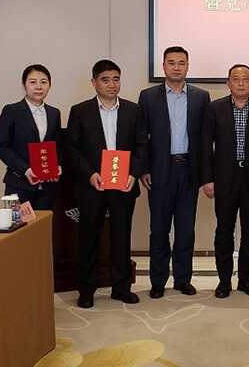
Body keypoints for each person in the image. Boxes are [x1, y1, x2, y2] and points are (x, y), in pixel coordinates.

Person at [64, 60, 147, 309]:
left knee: (121, 237)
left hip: (123, 185)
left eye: (116, 79)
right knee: (88, 238)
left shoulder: (133, 110)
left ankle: (121, 287)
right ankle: (86, 290)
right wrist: (90, 174)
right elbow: (72, 149)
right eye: (105, 79)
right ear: (94, 82)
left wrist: (133, 174)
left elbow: (142, 146)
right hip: (93, 185)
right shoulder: (80, 111)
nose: (112, 84)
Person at [138, 46, 210, 299]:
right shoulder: (148, 96)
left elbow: (205, 139)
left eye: (181, 62)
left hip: (188, 169)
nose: (176, 67)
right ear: (163, 66)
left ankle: (182, 279)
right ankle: (158, 280)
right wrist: (144, 169)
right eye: (171, 62)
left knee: (185, 229)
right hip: (159, 170)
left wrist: (205, 174)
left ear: (188, 66)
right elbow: (141, 137)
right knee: (159, 229)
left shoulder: (201, 97)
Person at [200, 64, 249, 298]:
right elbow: (206, 146)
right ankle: (224, 281)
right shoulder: (214, 108)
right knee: (224, 232)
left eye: (245, 79)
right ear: (228, 83)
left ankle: (246, 280)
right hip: (224, 179)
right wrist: (207, 179)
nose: (241, 83)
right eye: (236, 79)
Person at [0, 64, 62, 210]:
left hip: (47, 187)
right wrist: (26, 170)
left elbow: (58, 145)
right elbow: (1, 147)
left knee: (43, 223)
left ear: (50, 85)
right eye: (33, 82)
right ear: (24, 85)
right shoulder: (12, 111)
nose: (39, 87)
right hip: (20, 185)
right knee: (21, 224)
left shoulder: (54, 113)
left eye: (43, 82)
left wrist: (58, 165)